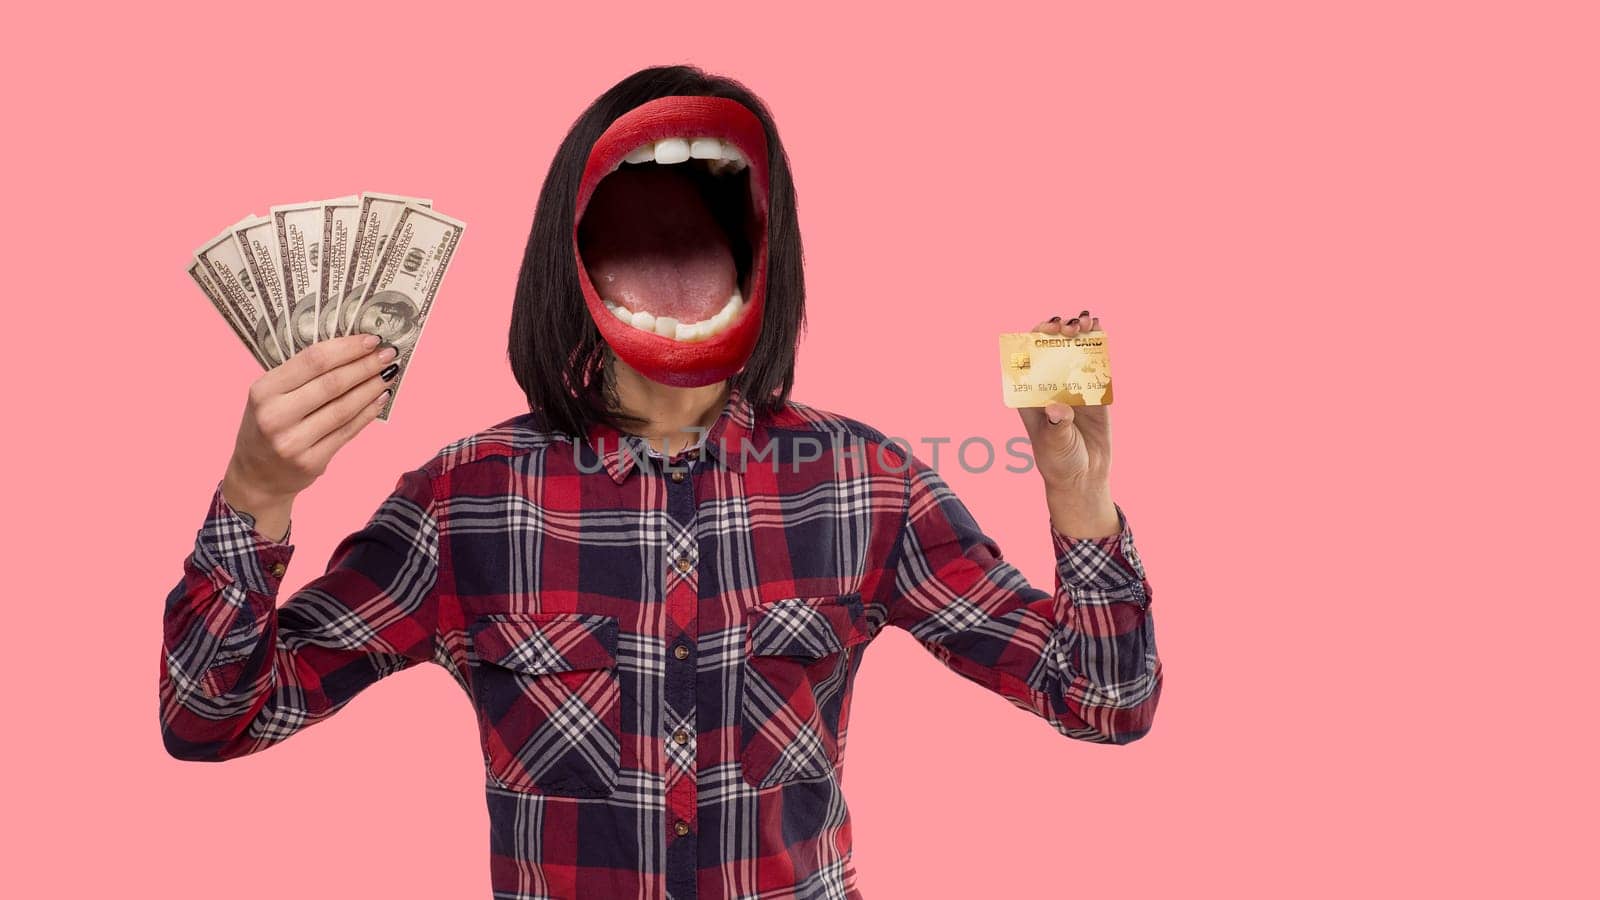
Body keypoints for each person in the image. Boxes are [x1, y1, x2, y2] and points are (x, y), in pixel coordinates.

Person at [159, 65, 1162, 899]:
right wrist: (257, 492)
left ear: (765, 257)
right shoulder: (463, 500)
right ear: (572, 259)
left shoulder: (866, 483)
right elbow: (214, 718)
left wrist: (1080, 496)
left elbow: (1104, 702)